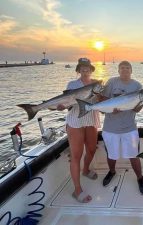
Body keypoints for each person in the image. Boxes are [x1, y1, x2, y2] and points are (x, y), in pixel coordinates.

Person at [100, 61, 143, 195]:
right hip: (110, 127)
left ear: (131, 70)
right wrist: (109, 110)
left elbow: (138, 109)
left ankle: (140, 177)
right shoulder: (111, 82)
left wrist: (138, 106)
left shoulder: (137, 86)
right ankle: (112, 172)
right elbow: (102, 101)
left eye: (127, 68)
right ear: (118, 70)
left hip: (129, 127)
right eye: (122, 68)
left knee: (134, 155)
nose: (125, 70)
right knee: (111, 155)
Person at [57, 58, 101, 203]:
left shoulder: (97, 84)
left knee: (92, 149)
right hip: (75, 121)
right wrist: (62, 106)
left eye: (87, 67)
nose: (85, 70)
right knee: (76, 155)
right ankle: (77, 190)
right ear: (78, 70)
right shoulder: (73, 84)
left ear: (91, 69)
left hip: (91, 120)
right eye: (82, 68)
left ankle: (86, 170)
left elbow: (100, 102)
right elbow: (68, 104)